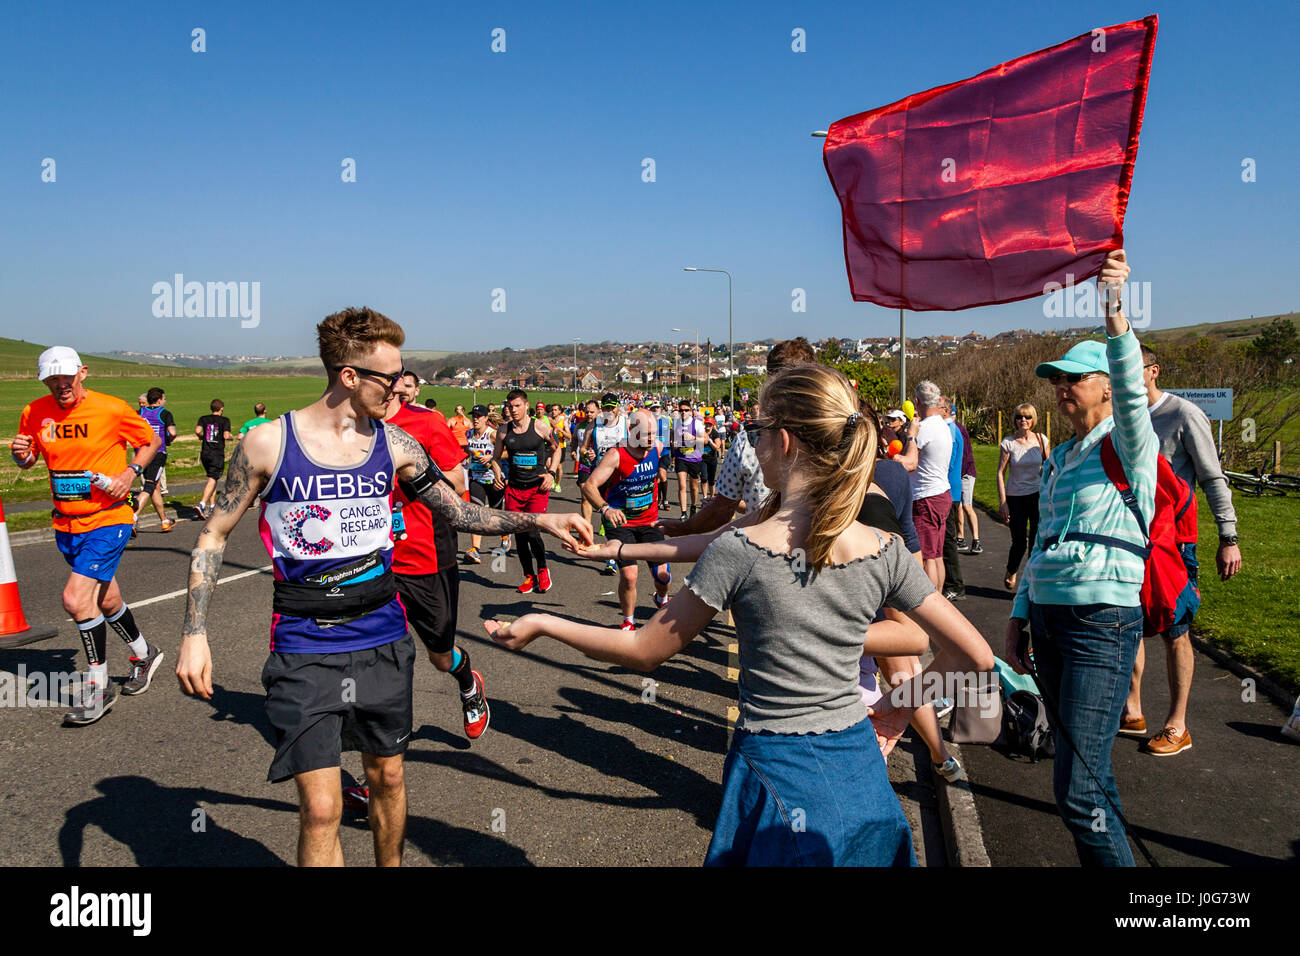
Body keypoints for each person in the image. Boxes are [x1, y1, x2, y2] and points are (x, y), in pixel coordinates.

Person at [486, 363, 992, 865]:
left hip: (774, 773)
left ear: (786, 440)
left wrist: (543, 624)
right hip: (860, 774)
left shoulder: (742, 548)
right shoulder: (884, 549)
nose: (752, 441)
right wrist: (897, 705)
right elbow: (975, 657)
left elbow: (643, 651)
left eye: (758, 430)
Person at [175, 307, 591, 867]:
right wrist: (195, 633)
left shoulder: (397, 447)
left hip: (381, 636)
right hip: (304, 643)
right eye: (388, 377)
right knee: (321, 811)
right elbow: (212, 536)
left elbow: (460, 513)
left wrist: (541, 521)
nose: (399, 388)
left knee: (388, 778)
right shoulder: (266, 445)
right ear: (349, 376)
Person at [1005, 248, 1153, 867]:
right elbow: (1041, 545)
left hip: (1101, 623)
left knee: (1078, 792)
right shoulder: (1061, 456)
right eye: (1055, 379)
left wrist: (1114, 310)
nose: (1060, 387)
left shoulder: (1128, 442)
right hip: (1050, 617)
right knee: (1084, 776)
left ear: (1105, 387)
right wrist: (1018, 612)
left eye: (1073, 377)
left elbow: (1130, 383)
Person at [14, 347, 165, 725]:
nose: (60, 385)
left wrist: (130, 473)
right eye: (52, 379)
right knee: (107, 597)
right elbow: (32, 457)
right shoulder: (34, 411)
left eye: (66, 377)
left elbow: (151, 442)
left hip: (108, 518)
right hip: (66, 522)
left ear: (83, 372)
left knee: (75, 599)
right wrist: (21, 456)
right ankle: (145, 654)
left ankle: (99, 688)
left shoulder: (111, 409)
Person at [1119, 343, 1243, 757]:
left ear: (1153, 371)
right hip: (1130, 538)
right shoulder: (1121, 417)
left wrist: (1228, 537)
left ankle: (1177, 723)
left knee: (1176, 630)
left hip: (1176, 542)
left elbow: (1212, 477)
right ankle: (1133, 708)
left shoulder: (1182, 414)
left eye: (1131, 367)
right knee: (1130, 621)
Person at [660, 337, 816, 538]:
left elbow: (723, 511)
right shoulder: (838, 433)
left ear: (769, 380)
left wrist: (684, 529)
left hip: (762, 550)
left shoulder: (750, 438)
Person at [583, 409, 671, 630]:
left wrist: (662, 468)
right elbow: (589, 486)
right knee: (630, 576)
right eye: (646, 434)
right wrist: (605, 509)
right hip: (621, 522)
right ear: (631, 430)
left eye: (654, 434)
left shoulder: (657, 448)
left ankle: (661, 598)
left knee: (663, 577)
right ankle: (628, 622)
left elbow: (665, 458)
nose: (651, 439)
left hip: (649, 521)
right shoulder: (617, 455)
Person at [491, 389, 563, 593]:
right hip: (514, 488)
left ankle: (542, 569)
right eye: (510, 406)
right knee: (519, 534)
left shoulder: (540, 427)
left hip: (536, 488)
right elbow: (496, 457)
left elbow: (557, 449)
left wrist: (550, 473)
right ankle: (528, 576)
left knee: (532, 531)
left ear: (525, 405)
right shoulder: (503, 431)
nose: (513, 410)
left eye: (517, 406)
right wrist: (498, 474)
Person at [894, 381, 952, 592]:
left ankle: (930, 603)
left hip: (925, 497)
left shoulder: (924, 429)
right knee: (936, 555)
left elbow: (909, 463)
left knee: (926, 557)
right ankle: (939, 599)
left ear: (916, 401)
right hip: (941, 494)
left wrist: (905, 441)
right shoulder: (943, 425)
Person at [996, 403, 1049, 590]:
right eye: (1019, 417)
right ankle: (1012, 570)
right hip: (1015, 497)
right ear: (1015, 420)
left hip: (1037, 496)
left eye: (1027, 417)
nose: (1023, 420)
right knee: (1019, 541)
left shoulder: (1042, 440)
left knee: (1036, 541)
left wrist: (1049, 492)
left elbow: (1049, 467)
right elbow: (1000, 473)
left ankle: (1031, 581)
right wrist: (1003, 502)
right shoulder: (1008, 443)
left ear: (1033, 419)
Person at [463, 405, 506, 563]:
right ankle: (475, 549)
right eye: (474, 415)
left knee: (496, 514)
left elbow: (507, 451)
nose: (475, 418)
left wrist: (491, 457)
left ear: (486, 418)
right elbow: (468, 453)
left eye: (479, 416)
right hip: (476, 478)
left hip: (494, 478)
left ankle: (505, 536)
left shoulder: (492, 435)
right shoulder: (468, 434)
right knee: (476, 512)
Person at [132, 387, 177, 534]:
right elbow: (172, 432)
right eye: (164, 398)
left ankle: (164, 521)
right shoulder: (164, 413)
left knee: (154, 486)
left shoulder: (139, 413)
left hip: (141, 453)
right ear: (159, 400)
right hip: (157, 453)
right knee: (150, 486)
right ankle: (132, 518)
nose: (165, 401)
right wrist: (169, 439)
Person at [940, 397, 966, 601]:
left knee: (948, 540)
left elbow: (946, 462)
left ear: (946, 411)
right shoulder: (950, 429)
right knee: (945, 538)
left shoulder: (950, 430)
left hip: (949, 489)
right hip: (950, 489)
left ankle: (955, 585)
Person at [195, 399, 234, 519]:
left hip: (205, 452)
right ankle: (202, 504)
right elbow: (226, 436)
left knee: (211, 478)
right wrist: (231, 437)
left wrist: (202, 437)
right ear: (221, 409)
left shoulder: (203, 418)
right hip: (216, 453)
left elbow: (197, 431)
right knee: (213, 478)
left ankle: (212, 506)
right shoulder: (224, 420)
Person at [670, 399, 706, 517]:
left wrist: (693, 439)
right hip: (681, 458)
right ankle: (683, 512)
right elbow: (673, 440)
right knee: (682, 485)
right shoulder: (676, 423)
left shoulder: (697, 423)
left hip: (694, 459)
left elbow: (705, 440)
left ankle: (693, 506)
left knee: (693, 487)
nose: (684, 412)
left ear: (690, 411)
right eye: (681, 410)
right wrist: (674, 443)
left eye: (686, 410)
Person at [953, 408, 980, 555]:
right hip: (959, 473)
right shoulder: (952, 428)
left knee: (967, 506)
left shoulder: (958, 430)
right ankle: (960, 538)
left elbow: (963, 455)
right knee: (959, 506)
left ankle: (976, 540)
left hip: (966, 473)